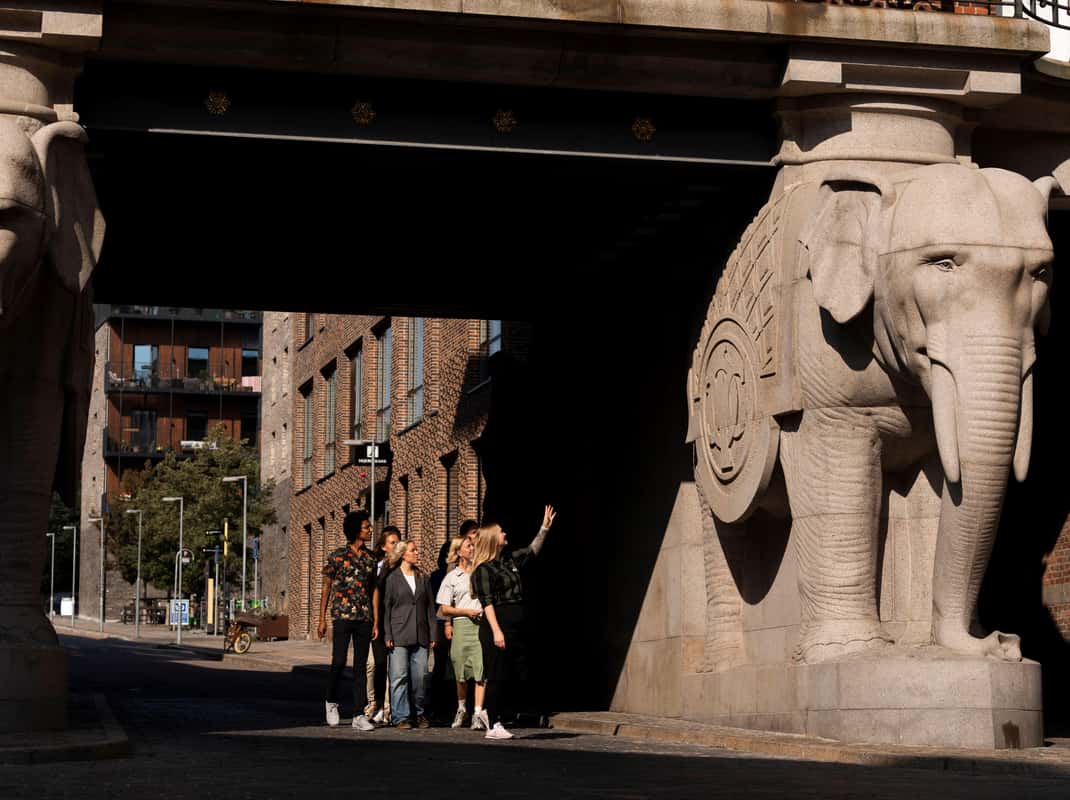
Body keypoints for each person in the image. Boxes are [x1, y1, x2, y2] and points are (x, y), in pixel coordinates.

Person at [470, 505, 556, 740]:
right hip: (498, 625)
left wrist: (544, 528)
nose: (505, 534)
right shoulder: (483, 570)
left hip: (515, 625)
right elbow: (487, 603)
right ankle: (493, 723)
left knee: (514, 672)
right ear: (491, 539)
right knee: (496, 673)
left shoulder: (508, 561)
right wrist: (497, 631)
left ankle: (492, 713)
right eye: (501, 532)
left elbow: (531, 551)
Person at [318, 510, 378, 731]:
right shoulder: (337, 556)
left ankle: (358, 714)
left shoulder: (372, 558)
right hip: (342, 616)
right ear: (355, 530)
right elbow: (326, 587)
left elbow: (374, 590)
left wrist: (376, 619)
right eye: (366, 526)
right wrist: (321, 619)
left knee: (361, 666)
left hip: (363, 617)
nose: (370, 529)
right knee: (339, 661)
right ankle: (331, 701)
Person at [381, 540, 437, 729]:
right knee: (399, 677)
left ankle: (419, 713)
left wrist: (433, 635)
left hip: (421, 634)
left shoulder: (423, 577)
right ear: (403, 554)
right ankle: (401, 716)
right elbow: (386, 608)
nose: (417, 553)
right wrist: (387, 634)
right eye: (413, 550)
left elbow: (430, 609)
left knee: (421, 676)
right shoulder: (392, 579)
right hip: (398, 634)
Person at [437, 527, 487, 730]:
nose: (472, 548)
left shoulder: (480, 571)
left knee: (480, 670)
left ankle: (477, 713)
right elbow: (444, 608)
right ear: (459, 551)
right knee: (460, 672)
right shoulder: (452, 577)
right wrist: (463, 614)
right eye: (468, 546)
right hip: (461, 625)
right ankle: (461, 708)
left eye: (472, 545)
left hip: (480, 627)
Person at [366, 526, 400, 724]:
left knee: (392, 667)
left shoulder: (400, 568)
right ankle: (375, 702)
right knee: (375, 664)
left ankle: (387, 707)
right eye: (392, 543)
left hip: (395, 622)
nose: (396, 546)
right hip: (378, 621)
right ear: (384, 547)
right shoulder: (377, 566)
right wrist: (375, 621)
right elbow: (374, 594)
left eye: (398, 542)